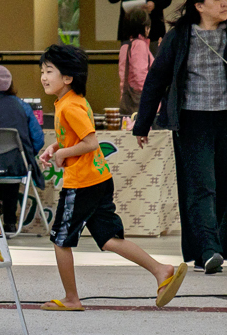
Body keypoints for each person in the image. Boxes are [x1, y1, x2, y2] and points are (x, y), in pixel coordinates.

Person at [38, 43, 188, 310]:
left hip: (81, 184)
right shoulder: (72, 102)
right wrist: (56, 147)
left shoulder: (69, 107)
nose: (43, 77)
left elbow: (91, 143)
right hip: (98, 180)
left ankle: (71, 298)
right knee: (109, 239)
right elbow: (75, 137)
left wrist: (63, 154)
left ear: (68, 77)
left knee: (61, 240)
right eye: (42, 71)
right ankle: (161, 270)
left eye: (49, 71)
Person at [133, 0, 227, 274]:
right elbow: (156, 79)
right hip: (192, 120)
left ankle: (210, 249)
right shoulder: (180, 36)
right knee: (201, 186)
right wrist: (143, 124)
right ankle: (209, 248)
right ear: (199, 6)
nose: (224, 3)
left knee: (223, 184)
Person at [0, 64, 44, 234]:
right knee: (11, 165)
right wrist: (27, 155)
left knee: (0, 164)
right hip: (18, 165)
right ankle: (10, 222)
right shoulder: (22, 106)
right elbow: (38, 139)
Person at [117, 6, 155, 127]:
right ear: (143, 27)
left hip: (127, 99)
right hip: (142, 100)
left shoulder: (125, 46)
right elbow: (140, 76)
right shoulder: (140, 45)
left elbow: (123, 75)